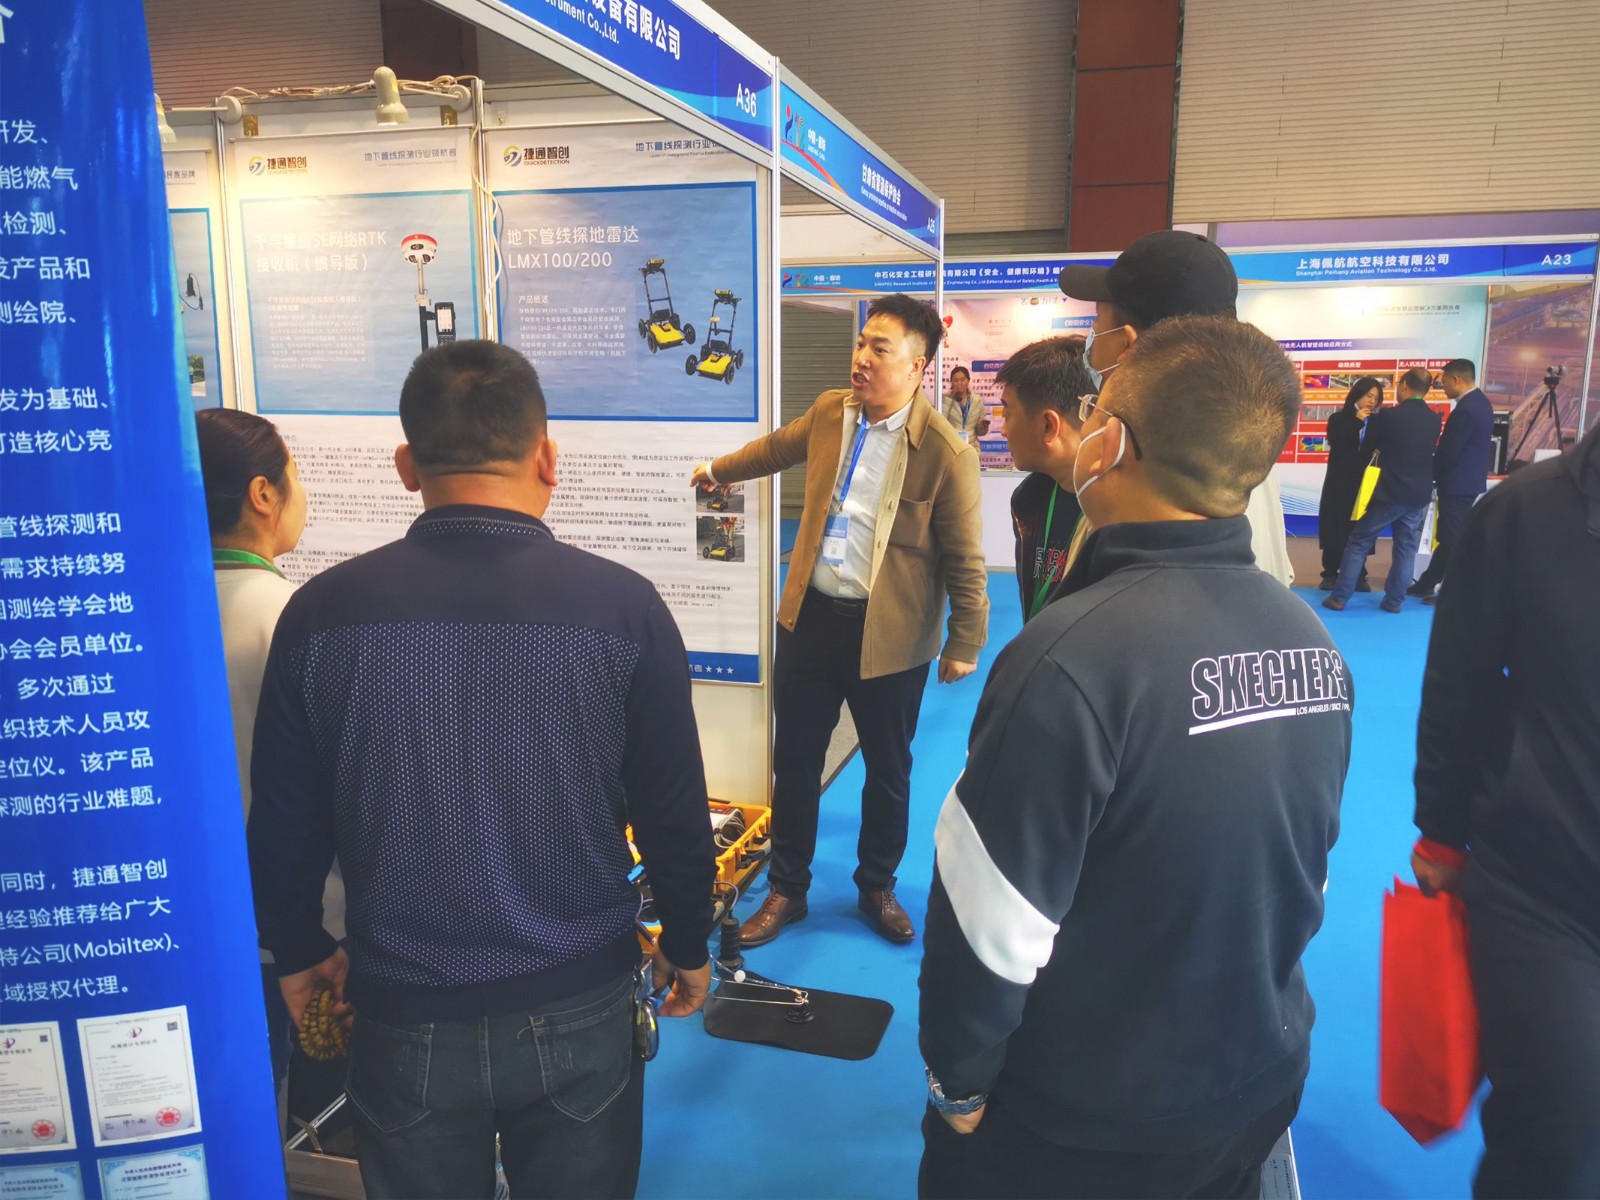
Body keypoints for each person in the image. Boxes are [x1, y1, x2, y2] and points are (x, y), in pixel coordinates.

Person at [247, 341, 717, 1200]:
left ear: (405, 467)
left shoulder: (320, 616)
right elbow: (674, 814)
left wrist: (300, 948)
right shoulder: (625, 610)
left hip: (399, 1008)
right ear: (547, 458)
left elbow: (284, 821)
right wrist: (688, 943)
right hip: (580, 997)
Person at [918, 315, 1351, 1199]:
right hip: (1257, 1079)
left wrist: (958, 1080)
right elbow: (1303, 866)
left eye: (1097, 411)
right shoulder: (1309, 640)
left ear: (1109, 442)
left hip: (1086, 1124)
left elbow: (989, 917)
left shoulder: (1068, 660)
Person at [692, 293, 988, 948]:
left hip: (893, 634)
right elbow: (774, 449)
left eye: (880, 349)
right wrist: (715, 470)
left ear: (918, 366)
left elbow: (967, 557)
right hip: (811, 619)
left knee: (888, 768)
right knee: (796, 760)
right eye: (861, 344)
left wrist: (965, 638)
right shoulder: (833, 412)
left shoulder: (946, 453)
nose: (862, 359)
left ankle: (876, 886)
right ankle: (786, 889)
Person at [1411, 421, 1600, 1196]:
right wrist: (1441, 831)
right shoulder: (1525, 514)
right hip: (1542, 879)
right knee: (1558, 1129)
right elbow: (1460, 679)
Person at [195, 409, 347, 1123]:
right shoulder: (299, 618)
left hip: (186, 914)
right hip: (302, 932)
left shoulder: (148, 614)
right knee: (285, 1108)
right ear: (263, 494)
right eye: (295, 474)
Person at [1057, 229, 1296, 587]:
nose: (1091, 336)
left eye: (1097, 322)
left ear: (1128, 346)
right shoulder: (1244, 450)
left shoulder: (1135, 478)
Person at [1323, 367, 1442, 613]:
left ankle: (1340, 597)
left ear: (1405, 386)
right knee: (1406, 548)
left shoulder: (1388, 417)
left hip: (1390, 492)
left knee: (1358, 541)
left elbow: (1368, 448)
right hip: (1418, 495)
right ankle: (1394, 601)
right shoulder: (1434, 419)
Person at [1000, 335, 1093, 621]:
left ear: (1048, 426)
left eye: (1007, 413)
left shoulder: (1121, 515)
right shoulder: (1028, 501)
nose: (1003, 430)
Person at [1409, 358, 1492, 603]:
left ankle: (1453, 592)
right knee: (1449, 537)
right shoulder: (1481, 402)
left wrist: (1430, 474)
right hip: (1466, 482)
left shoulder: (1465, 410)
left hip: (1457, 484)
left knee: (1452, 539)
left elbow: (1449, 451)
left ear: (1456, 379)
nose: (1442, 386)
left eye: (1444, 381)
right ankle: (1428, 583)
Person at [1317, 377, 1384, 590]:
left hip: (1363, 483)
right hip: (1339, 482)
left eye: (1376, 398)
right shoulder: (1339, 418)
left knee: (1359, 527)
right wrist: (1356, 422)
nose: (1372, 401)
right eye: (1369, 396)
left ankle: (1358, 574)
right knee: (1335, 525)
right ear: (1357, 394)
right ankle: (1330, 573)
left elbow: (1379, 447)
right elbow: (1337, 442)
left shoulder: (1377, 422)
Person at [942, 366, 989, 444]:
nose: (959, 384)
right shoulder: (944, 399)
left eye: (963, 380)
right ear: (951, 382)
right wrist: (950, 398)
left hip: (971, 446)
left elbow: (980, 432)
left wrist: (983, 426)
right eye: (956, 381)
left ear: (968, 380)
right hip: (952, 445)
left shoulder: (976, 400)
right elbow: (940, 423)